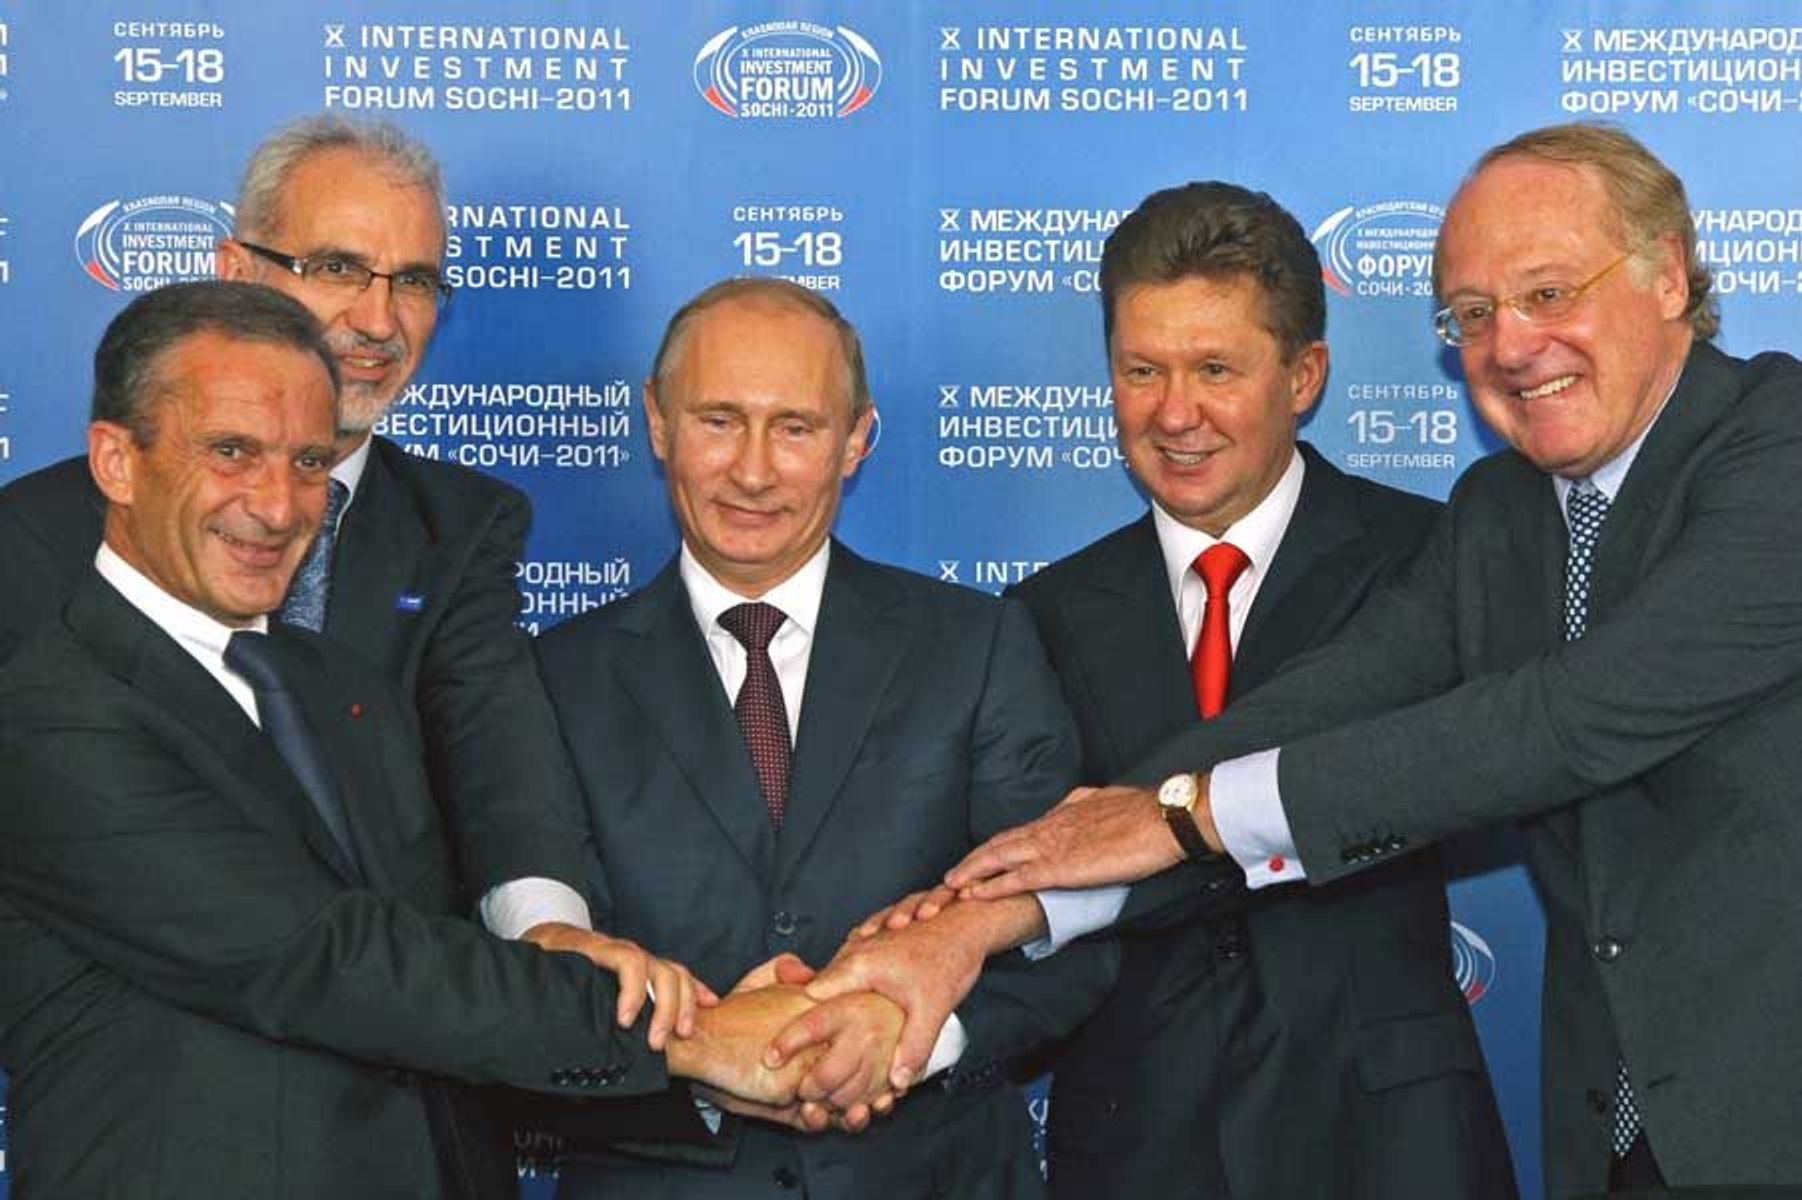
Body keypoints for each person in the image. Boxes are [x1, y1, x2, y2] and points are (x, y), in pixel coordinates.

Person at [938, 123, 1802, 1194]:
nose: (1510, 345)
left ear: (1667, 274)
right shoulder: (1502, 510)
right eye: (1472, 315)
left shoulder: (1781, 447)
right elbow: (1343, 691)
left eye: (1546, 293)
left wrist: (1185, 814)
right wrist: (993, 904)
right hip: (1622, 1138)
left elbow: (1571, 722)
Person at [0, 281, 829, 1200]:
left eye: (310, 463)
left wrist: (608, 991)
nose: (279, 508)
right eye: (231, 453)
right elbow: (330, 961)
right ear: (116, 462)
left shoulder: (343, 692)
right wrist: (697, 1037)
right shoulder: (46, 714)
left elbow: (446, 973)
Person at [0, 114, 625, 974]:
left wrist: (552, 936)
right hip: (154, 1063)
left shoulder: (463, 528)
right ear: (234, 274)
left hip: (405, 1059)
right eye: (336, 268)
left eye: (413, 281)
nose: (378, 319)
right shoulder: (34, 539)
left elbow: (500, 772)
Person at [532, 277, 1113, 1199]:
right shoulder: (549, 681)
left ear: (857, 442)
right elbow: (531, 975)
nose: (754, 471)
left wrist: (915, 1037)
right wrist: (708, 1058)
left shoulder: (979, 646)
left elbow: (1067, 927)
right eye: (719, 420)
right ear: (656, 424)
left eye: (796, 428)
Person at [999, 181, 1514, 1199]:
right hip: (1133, 1146)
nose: (1173, 412)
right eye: (1140, 370)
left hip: (1391, 1143)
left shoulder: (1433, 560)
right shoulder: (1041, 613)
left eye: (1214, 370)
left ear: (1303, 375)